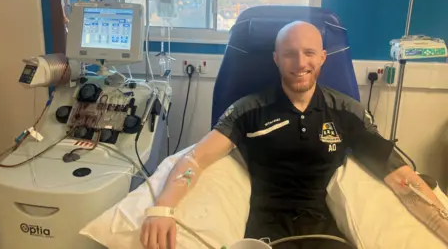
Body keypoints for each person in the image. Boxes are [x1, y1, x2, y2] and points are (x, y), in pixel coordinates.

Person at [140, 21, 448, 249]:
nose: (300, 63)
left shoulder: (346, 112)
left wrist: (441, 223)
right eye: (289, 54)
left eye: (309, 53)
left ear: (323, 57)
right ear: (276, 58)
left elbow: (399, 175)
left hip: (325, 234)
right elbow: (197, 157)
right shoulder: (249, 110)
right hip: (264, 235)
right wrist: (162, 208)